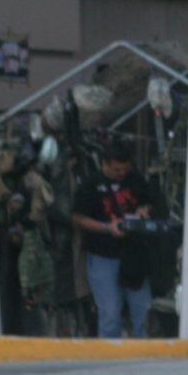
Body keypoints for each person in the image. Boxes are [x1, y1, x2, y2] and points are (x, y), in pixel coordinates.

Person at [71, 141, 154, 338]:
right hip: (103, 256)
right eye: (117, 169)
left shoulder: (135, 179)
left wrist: (143, 210)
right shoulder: (90, 185)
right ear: (105, 164)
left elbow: (149, 200)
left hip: (134, 254)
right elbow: (77, 218)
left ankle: (144, 351)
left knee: (143, 310)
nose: (122, 173)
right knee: (110, 314)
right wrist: (107, 227)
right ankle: (109, 353)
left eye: (125, 168)